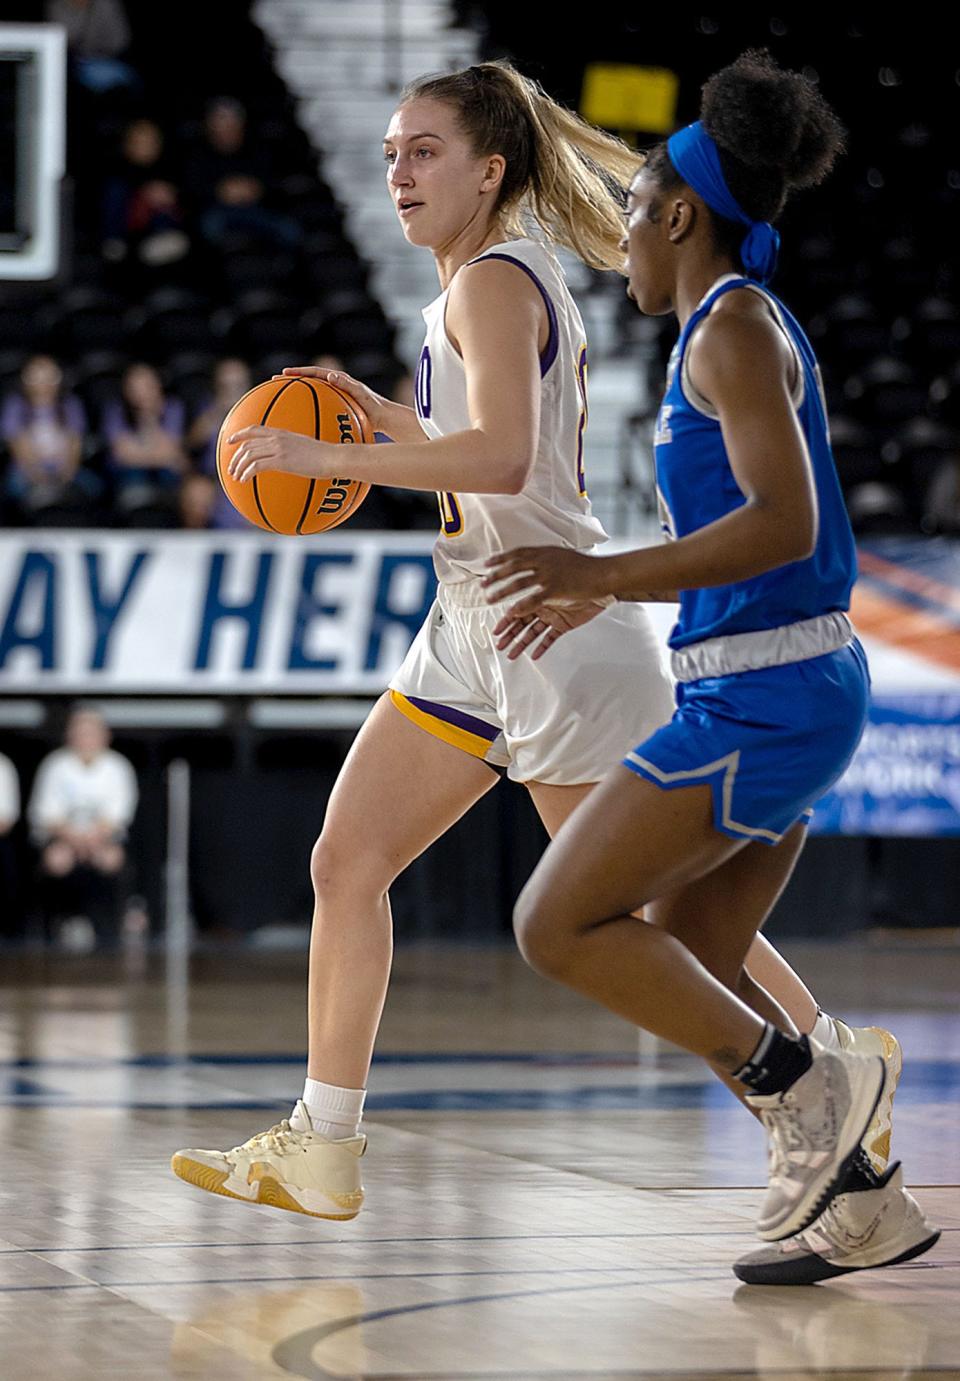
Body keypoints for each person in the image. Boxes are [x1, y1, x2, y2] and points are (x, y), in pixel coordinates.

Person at [171, 60, 903, 1258]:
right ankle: (323, 1138)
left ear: (491, 169)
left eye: (424, 153)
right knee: (347, 857)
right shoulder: (474, 286)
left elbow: (506, 460)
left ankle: (835, 1099)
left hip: (548, 624)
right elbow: (486, 445)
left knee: (658, 927)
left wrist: (328, 465)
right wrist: (385, 427)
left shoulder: (500, 281)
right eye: (392, 152)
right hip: (477, 621)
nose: (398, 172)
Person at [480, 50, 938, 1282]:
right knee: (691, 948)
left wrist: (600, 576)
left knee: (555, 920)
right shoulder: (727, 326)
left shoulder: (731, 328)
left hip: (770, 690)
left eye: (631, 206)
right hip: (779, 685)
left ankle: (814, 1084)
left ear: (680, 213)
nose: (619, 231)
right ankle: (866, 1204)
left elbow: (784, 525)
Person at [29, 706, 139, 951]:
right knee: (57, 861)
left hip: (101, 840)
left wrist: (92, 840)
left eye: (91, 732)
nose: (85, 738)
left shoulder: (117, 766)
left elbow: (118, 816)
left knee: (110, 859)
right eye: (80, 732)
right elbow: (47, 814)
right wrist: (73, 839)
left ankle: (109, 929)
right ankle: (55, 926)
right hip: (63, 839)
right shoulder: (55, 765)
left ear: (104, 736)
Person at [1, 355, 98, 524]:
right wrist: (38, 476)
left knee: (93, 486)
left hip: (64, 468)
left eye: (49, 376)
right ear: (25, 380)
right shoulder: (16, 405)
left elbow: (75, 443)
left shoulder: (70, 405)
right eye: (36, 376)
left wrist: (67, 472)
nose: (43, 382)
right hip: (26, 470)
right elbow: (18, 446)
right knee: (15, 487)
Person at [103, 362, 187, 523]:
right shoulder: (115, 411)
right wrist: (159, 456)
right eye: (135, 387)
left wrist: (151, 416)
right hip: (128, 476)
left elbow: (171, 452)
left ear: (157, 385)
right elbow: (122, 455)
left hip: (165, 476)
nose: (141, 393)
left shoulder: (172, 408)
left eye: (147, 386)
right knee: (133, 479)